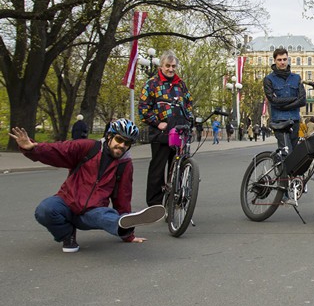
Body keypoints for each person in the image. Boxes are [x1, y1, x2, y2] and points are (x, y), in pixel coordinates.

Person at [9, 119, 165, 253]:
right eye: (119, 139)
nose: (122, 145)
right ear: (109, 136)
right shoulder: (88, 148)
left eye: (127, 143)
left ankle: (124, 225)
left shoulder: (125, 165)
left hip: (92, 211)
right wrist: (33, 148)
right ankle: (67, 235)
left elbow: (122, 196)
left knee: (106, 216)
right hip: (67, 202)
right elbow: (59, 151)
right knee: (45, 210)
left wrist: (128, 236)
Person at [138, 50, 194, 207]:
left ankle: (176, 199)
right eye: (168, 66)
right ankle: (155, 204)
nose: (171, 69)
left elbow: (189, 103)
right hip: (161, 133)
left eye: (173, 66)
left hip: (179, 132)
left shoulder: (180, 84)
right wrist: (157, 123)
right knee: (158, 167)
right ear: (161, 66)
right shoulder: (152, 84)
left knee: (177, 166)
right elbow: (143, 108)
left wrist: (189, 120)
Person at [263, 48, 306, 153]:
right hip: (279, 121)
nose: (282, 62)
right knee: (287, 152)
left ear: (288, 60)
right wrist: (294, 99)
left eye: (284, 59)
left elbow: (303, 100)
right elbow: (273, 101)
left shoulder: (296, 78)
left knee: (295, 155)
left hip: (294, 120)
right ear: (274, 60)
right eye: (279, 60)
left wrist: (283, 104)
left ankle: (283, 166)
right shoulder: (269, 79)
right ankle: (282, 167)